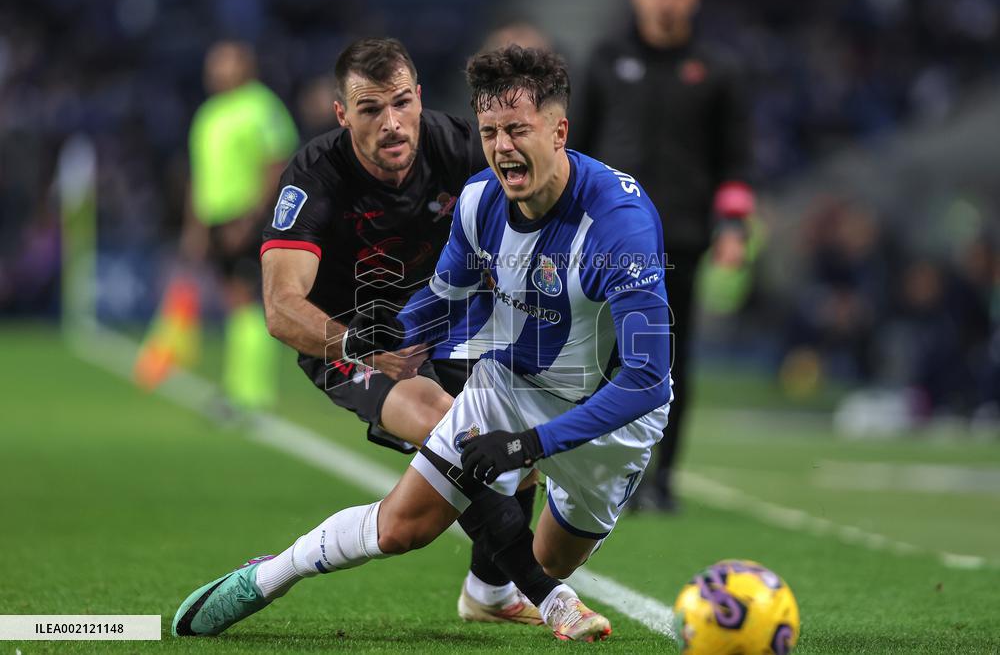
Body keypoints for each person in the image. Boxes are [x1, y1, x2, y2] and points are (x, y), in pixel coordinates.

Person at [171, 44, 670, 643]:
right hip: (445, 362)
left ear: (559, 131)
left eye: (517, 130)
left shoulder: (620, 224)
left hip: (607, 418)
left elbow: (647, 379)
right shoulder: (468, 196)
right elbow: (427, 297)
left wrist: (528, 446)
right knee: (415, 509)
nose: (502, 147)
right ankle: (271, 576)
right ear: (341, 114)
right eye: (491, 132)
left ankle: (491, 593)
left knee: (539, 539)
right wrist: (384, 340)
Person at [209, 37, 549, 628]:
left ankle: (488, 593)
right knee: (454, 427)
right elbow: (281, 308)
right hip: (344, 337)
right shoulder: (316, 175)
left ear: (419, 98)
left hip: (443, 321)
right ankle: (544, 590)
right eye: (370, 110)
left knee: (499, 456)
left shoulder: (459, 146)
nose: (391, 124)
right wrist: (355, 343)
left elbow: (539, 202)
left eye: (400, 103)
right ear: (343, 115)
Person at [572, 0, 755, 511]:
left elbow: (736, 157)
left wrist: (735, 227)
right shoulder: (606, 60)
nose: (665, 3)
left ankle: (662, 481)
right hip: (608, 239)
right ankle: (602, 472)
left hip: (681, 239)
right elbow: (578, 148)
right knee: (601, 354)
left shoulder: (718, 69)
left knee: (671, 361)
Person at [178, 40, 300, 409]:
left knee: (248, 298)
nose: (216, 71)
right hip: (216, 219)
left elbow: (277, 162)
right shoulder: (209, 113)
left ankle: (252, 392)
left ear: (245, 66)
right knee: (235, 299)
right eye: (213, 64)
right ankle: (237, 386)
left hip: (247, 217)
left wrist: (252, 217)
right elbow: (200, 175)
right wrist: (195, 225)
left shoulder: (260, 106)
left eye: (225, 64)